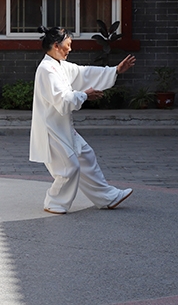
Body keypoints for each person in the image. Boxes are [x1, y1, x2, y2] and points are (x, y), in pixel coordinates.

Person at [29, 26, 135, 214]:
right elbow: (62, 100)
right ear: (56, 45)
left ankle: (107, 197)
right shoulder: (47, 69)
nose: (70, 49)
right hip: (51, 130)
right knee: (69, 167)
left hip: (63, 127)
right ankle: (54, 202)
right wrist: (85, 95)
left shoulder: (59, 65)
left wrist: (115, 71)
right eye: (68, 45)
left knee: (86, 156)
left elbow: (83, 73)